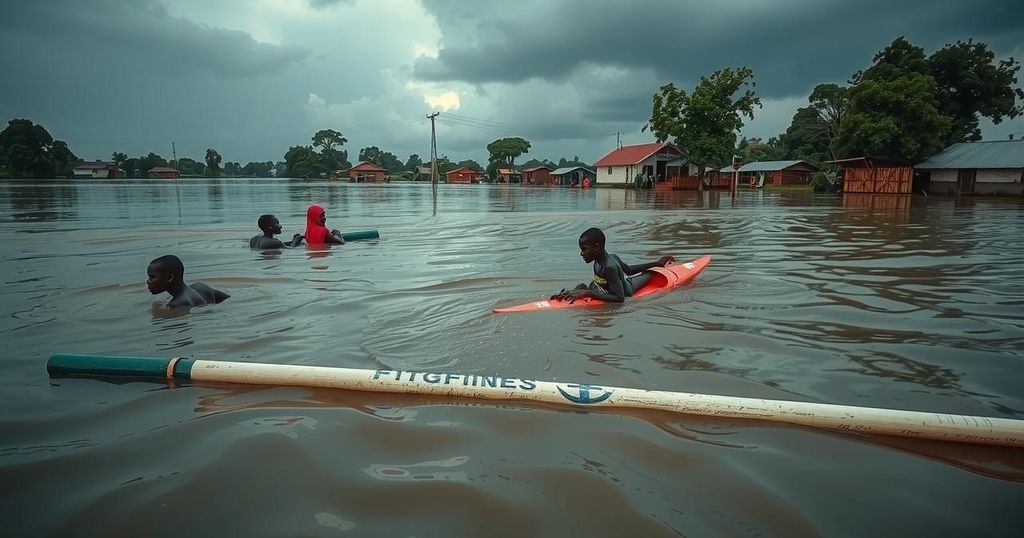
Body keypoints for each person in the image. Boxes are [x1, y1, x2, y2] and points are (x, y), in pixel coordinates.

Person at [551, 228, 675, 303]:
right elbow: (630, 270)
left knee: (649, 275)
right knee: (581, 286)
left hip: (626, 289)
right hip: (606, 287)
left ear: (596, 247)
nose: (581, 254)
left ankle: (659, 270)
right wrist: (575, 291)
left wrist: (589, 293)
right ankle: (566, 295)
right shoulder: (600, 259)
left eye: (584, 249)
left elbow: (620, 299)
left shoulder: (609, 266)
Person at [146, 255, 229, 308]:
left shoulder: (177, 303)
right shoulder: (200, 286)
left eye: (152, 277)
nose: (148, 281)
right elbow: (227, 298)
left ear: (170, 277)